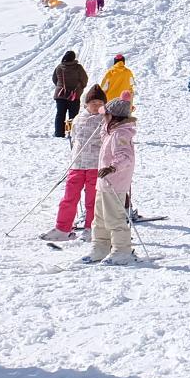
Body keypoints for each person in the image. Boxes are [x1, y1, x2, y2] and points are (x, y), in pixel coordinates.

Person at [42, 85, 107, 241]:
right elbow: (74, 138)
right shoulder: (79, 118)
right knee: (69, 198)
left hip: (95, 165)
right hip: (77, 165)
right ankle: (63, 228)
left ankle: (91, 228)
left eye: (99, 103)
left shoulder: (106, 119)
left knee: (93, 199)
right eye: (93, 103)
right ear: (86, 104)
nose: (96, 106)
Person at [83, 96, 138, 265]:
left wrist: (112, 168)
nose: (103, 117)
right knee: (99, 218)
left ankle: (122, 250)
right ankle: (100, 246)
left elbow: (125, 156)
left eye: (105, 114)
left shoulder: (121, 134)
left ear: (114, 117)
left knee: (114, 217)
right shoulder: (111, 131)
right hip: (104, 182)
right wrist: (104, 128)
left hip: (115, 182)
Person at [51, 49, 88, 138]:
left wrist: (60, 87)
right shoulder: (78, 67)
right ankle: (71, 133)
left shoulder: (59, 67)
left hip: (60, 95)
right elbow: (84, 80)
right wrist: (80, 88)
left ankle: (59, 133)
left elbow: (54, 79)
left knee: (60, 114)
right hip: (74, 95)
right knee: (73, 115)